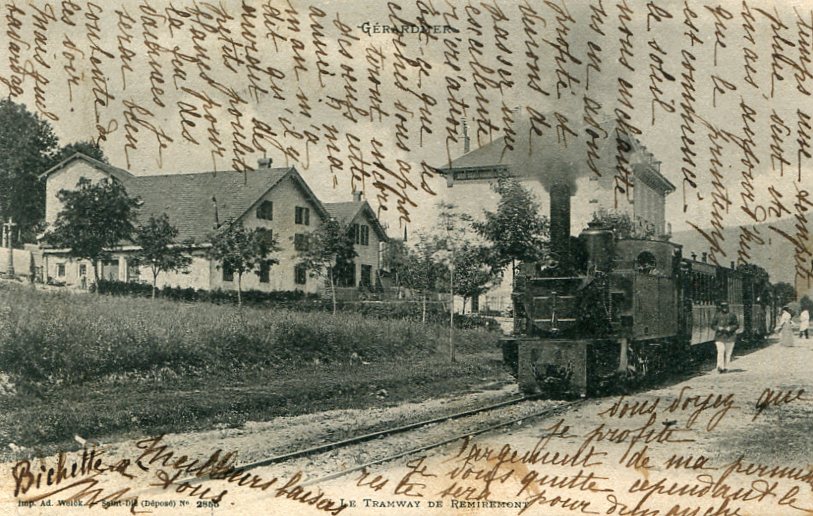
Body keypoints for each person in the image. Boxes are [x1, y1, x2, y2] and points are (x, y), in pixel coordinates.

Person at [710, 301, 739, 373]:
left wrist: (730, 328)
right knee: (721, 351)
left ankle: (726, 367)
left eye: (726, 307)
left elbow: (736, 325)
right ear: (721, 308)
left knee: (728, 353)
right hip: (720, 336)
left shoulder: (732, 315)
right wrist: (718, 328)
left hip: (730, 337)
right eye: (723, 307)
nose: (724, 308)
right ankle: (720, 367)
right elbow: (712, 325)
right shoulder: (717, 315)